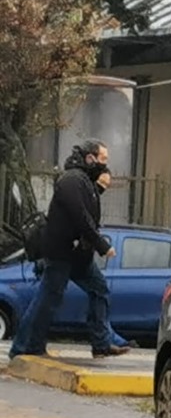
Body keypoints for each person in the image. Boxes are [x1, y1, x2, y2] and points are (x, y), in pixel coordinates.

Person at [9, 140, 127, 359]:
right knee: (47, 300)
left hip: (78, 255)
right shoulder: (71, 180)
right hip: (61, 253)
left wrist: (99, 188)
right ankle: (25, 347)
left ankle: (101, 343)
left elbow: (88, 212)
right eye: (102, 160)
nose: (105, 166)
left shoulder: (85, 182)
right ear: (89, 158)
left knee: (99, 290)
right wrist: (102, 245)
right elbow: (80, 216)